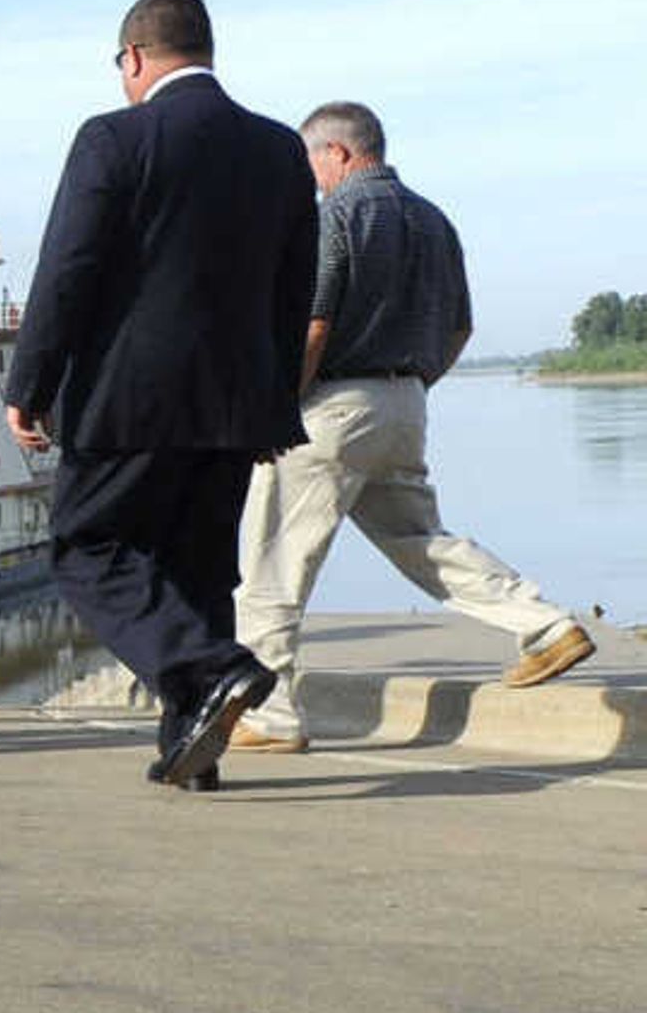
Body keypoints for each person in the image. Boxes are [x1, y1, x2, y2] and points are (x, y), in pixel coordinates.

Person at [2, 0, 317, 790]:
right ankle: (193, 749)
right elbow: (295, 286)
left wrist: (29, 383)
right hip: (235, 402)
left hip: (127, 397)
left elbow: (67, 268)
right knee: (199, 569)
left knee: (86, 547)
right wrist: (275, 399)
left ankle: (213, 669)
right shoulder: (280, 149)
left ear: (133, 59)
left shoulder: (115, 137)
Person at [226, 101, 600, 751]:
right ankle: (545, 624)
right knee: (421, 540)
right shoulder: (434, 220)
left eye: (312, 160)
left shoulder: (335, 216)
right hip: (405, 402)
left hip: (333, 404)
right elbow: (461, 327)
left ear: (338, 153)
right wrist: (415, 385)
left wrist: (281, 405)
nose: (310, 176)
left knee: (272, 563)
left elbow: (315, 324)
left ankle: (272, 713)